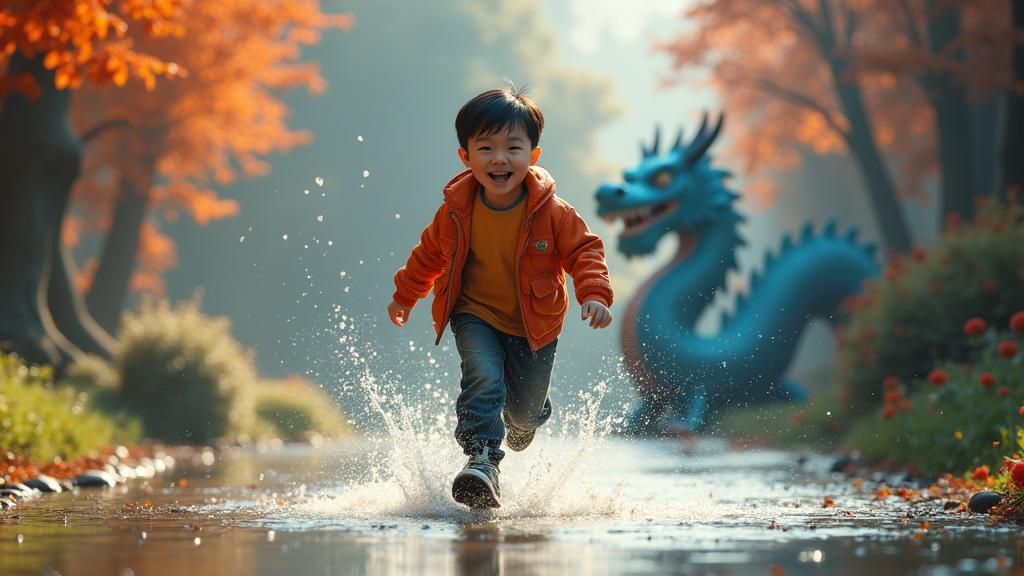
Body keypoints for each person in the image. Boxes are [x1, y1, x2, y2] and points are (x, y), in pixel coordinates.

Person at [386, 86, 614, 509]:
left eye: (513, 147)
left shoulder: (554, 211)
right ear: (466, 157)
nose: (499, 159)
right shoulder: (455, 209)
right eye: (485, 148)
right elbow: (429, 255)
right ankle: (483, 458)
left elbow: (585, 251)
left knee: (523, 417)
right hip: (475, 313)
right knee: (483, 376)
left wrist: (595, 293)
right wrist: (405, 295)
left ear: (533, 154)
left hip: (535, 325)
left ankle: (530, 413)